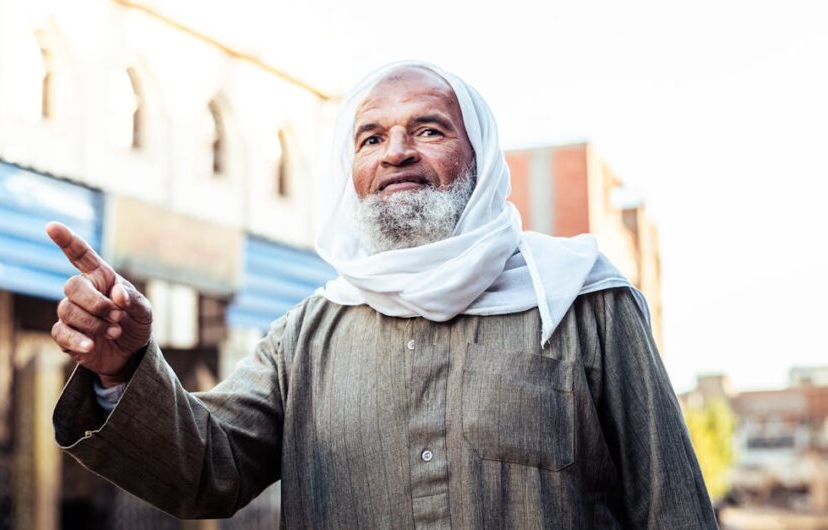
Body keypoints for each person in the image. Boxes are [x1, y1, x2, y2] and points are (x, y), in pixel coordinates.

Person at [49, 62, 718, 528]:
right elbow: (204, 472)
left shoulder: (582, 303)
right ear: (354, 175)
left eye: (428, 129)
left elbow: (672, 508)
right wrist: (122, 369)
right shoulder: (307, 334)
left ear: (480, 160)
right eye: (371, 138)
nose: (396, 151)